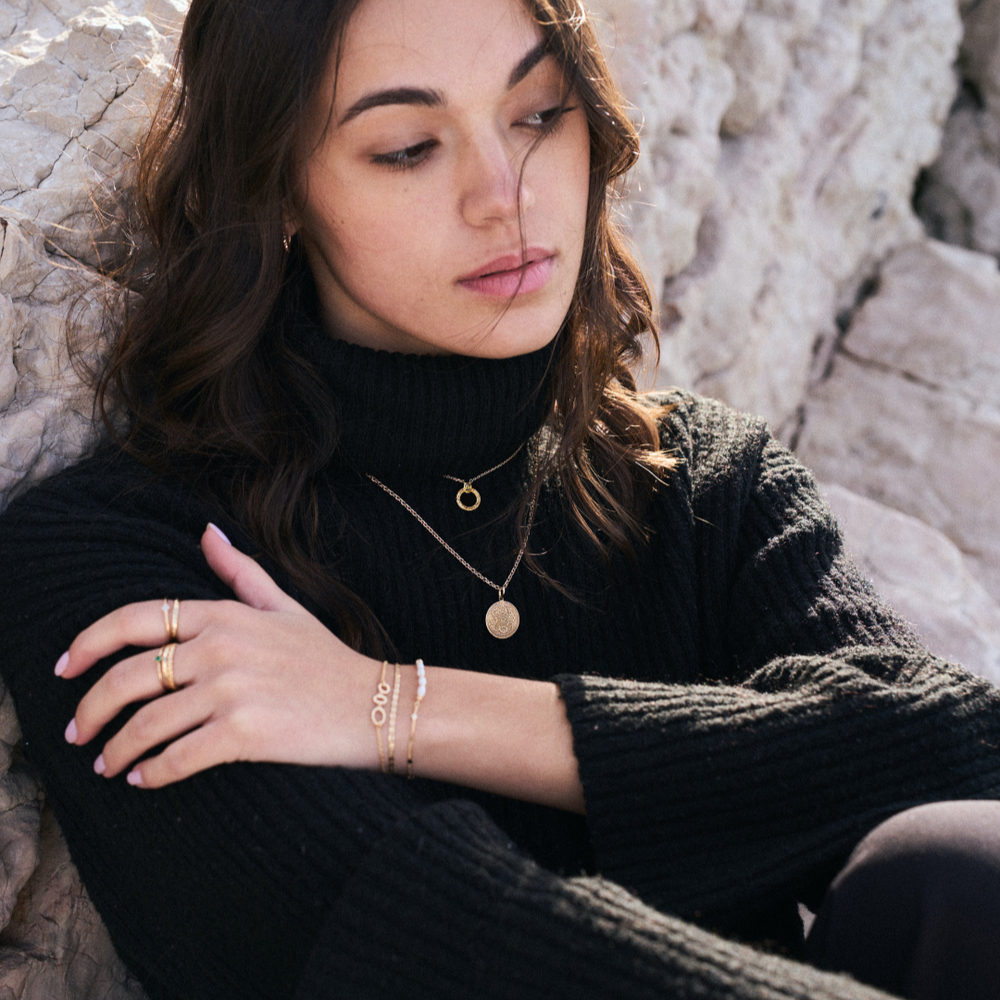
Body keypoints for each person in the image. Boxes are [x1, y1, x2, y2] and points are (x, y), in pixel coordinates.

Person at [1, 0, 1000, 998]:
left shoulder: (695, 480)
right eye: (406, 148)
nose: (504, 193)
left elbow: (957, 751)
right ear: (277, 191)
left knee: (956, 872)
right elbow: (411, 936)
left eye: (538, 114)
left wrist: (393, 708)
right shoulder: (126, 558)